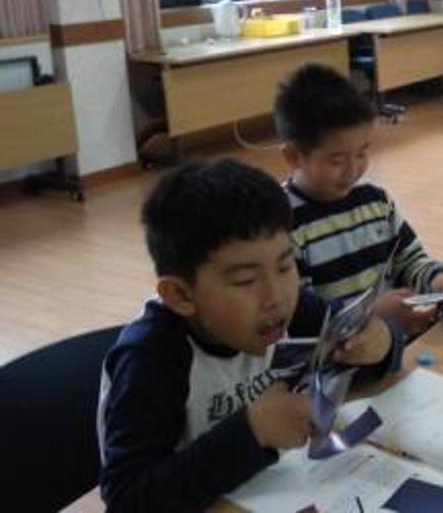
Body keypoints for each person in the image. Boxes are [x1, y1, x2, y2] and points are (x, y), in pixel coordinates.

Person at [98, 159, 402, 512]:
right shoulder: (151, 358)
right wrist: (252, 432)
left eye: (286, 265)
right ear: (181, 295)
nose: (277, 296)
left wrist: (382, 343)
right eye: (245, 280)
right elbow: (127, 499)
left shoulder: (289, 309)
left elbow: (356, 351)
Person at [274, 64, 443, 337]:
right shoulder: (280, 224)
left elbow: (409, 260)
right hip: (335, 353)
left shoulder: (375, 200)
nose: (353, 170)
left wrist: (437, 278)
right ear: (293, 157)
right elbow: (298, 314)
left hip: (388, 341)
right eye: (337, 160)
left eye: (362, 153)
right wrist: (367, 313)